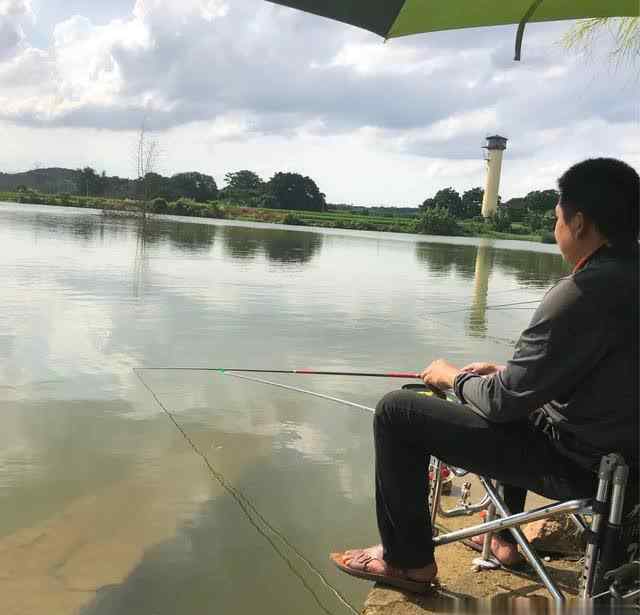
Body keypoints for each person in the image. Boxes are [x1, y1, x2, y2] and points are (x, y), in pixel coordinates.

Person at [330, 158, 639, 593]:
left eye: (557, 220)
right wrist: (508, 372)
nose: (556, 231)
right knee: (507, 394)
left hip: (585, 466)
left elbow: (501, 402)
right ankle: (504, 540)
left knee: (397, 412)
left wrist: (450, 376)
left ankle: (409, 562)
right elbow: (606, 370)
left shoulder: (581, 292)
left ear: (580, 222)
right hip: (624, 460)